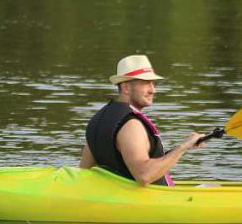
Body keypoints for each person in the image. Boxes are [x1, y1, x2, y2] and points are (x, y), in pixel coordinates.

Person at [79, 55, 204, 186]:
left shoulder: (97, 120)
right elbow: (144, 176)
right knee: (213, 188)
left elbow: (83, 172)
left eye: (153, 83)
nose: (152, 90)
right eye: (145, 83)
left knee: (210, 187)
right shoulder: (131, 125)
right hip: (156, 202)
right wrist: (183, 147)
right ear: (126, 87)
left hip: (120, 199)